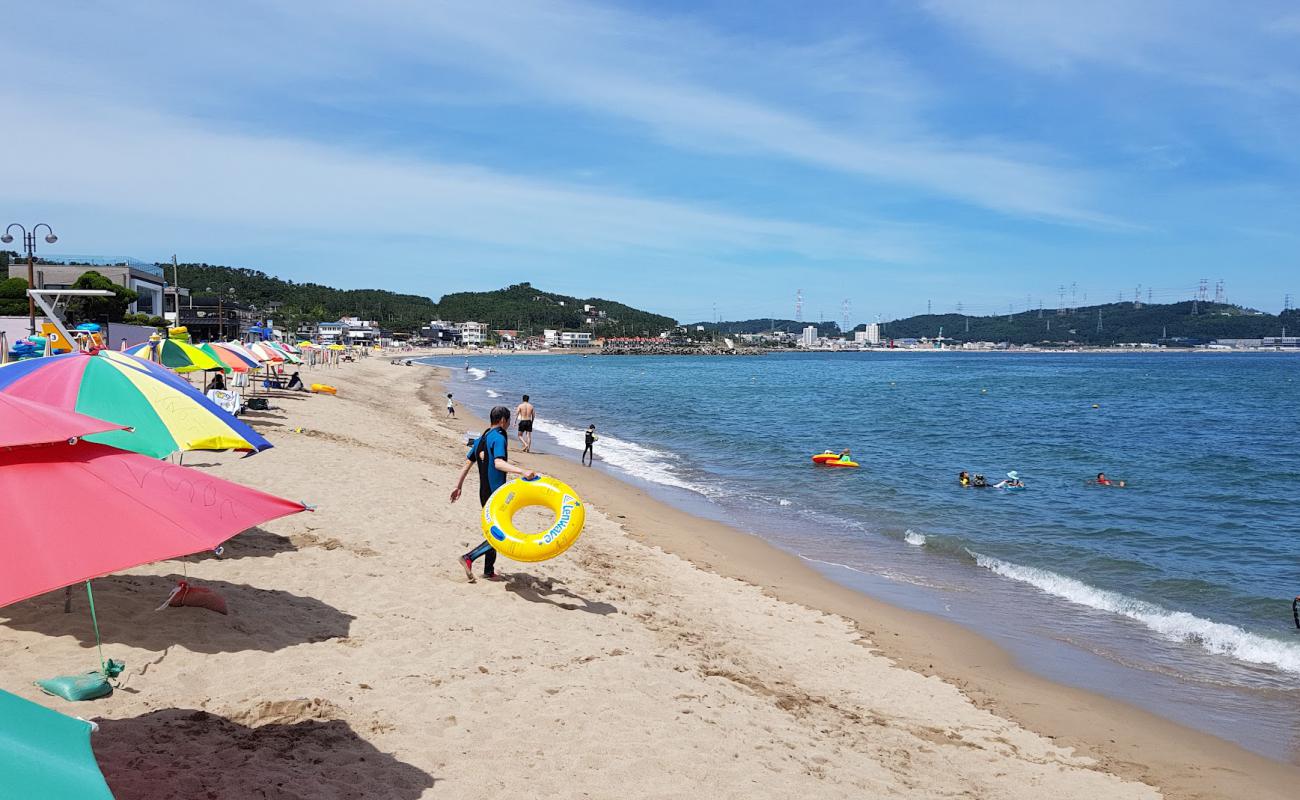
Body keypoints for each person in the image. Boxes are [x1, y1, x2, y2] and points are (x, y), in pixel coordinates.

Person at [450, 405, 536, 582]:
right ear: (503, 420)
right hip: (495, 495)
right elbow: (498, 463)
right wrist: (522, 471)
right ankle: (469, 557)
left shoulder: (483, 437)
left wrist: (458, 486)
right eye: (509, 420)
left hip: (484, 492)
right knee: (499, 535)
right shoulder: (498, 437)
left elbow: (468, 462)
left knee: (493, 530)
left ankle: (489, 570)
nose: (510, 423)